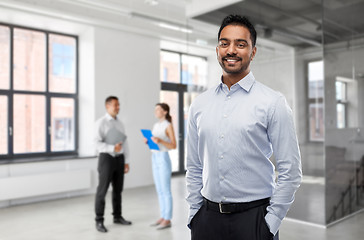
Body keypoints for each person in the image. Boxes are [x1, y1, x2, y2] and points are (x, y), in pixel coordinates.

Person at [186, 15, 302, 240]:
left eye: (241, 44)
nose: (231, 50)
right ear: (217, 49)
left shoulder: (272, 102)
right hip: (207, 220)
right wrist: (194, 213)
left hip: (255, 220)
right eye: (224, 43)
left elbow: (290, 170)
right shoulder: (200, 104)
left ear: (253, 51)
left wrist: (271, 222)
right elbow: (194, 165)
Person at [94, 96, 132, 233]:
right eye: (115, 105)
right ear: (107, 106)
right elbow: (96, 144)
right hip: (106, 159)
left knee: (118, 190)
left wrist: (126, 161)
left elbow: (125, 142)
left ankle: (117, 216)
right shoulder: (101, 123)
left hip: (119, 159)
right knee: (102, 191)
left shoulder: (120, 123)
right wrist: (111, 148)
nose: (118, 108)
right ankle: (99, 220)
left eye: (119, 105)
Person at [144, 103, 176, 230]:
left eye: (158, 109)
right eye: (155, 109)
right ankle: (163, 216)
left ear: (165, 112)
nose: (155, 111)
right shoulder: (156, 125)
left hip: (163, 158)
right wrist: (149, 141)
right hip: (154, 157)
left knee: (166, 190)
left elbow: (173, 145)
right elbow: (155, 142)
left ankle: (167, 219)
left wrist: (161, 141)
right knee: (159, 189)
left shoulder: (168, 126)